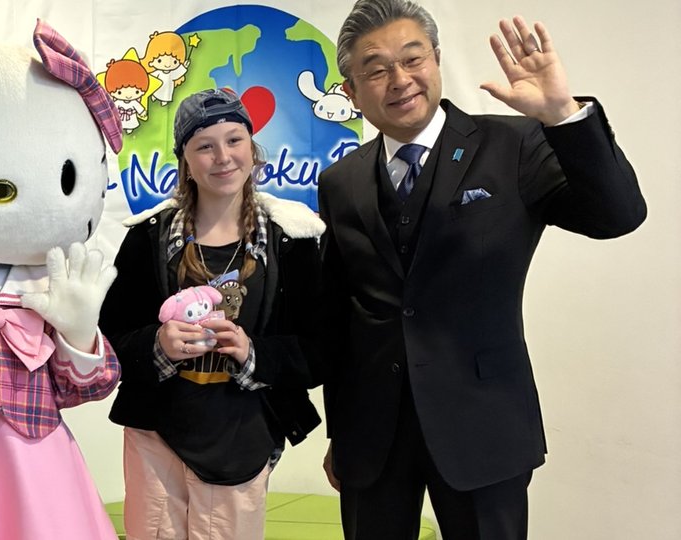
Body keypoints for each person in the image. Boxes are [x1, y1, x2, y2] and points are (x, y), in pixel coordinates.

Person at [318, 1, 647, 538]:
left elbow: (619, 215)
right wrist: (342, 432)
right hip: (372, 439)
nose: (399, 80)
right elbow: (340, 316)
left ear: (437, 60)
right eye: (376, 70)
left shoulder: (514, 144)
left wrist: (564, 116)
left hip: (484, 426)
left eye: (412, 58)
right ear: (351, 91)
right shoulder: (340, 181)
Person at [100, 88, 325, 540]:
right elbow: (110, 338)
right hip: (156, 438)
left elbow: (320, 348)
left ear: (252, 148)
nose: (222, 156)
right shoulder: (147, 238)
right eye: (205, 145)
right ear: (185, 158)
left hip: (243, 434)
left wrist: (252, 351)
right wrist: (157, 345)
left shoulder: (292, 239)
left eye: (234, 140)